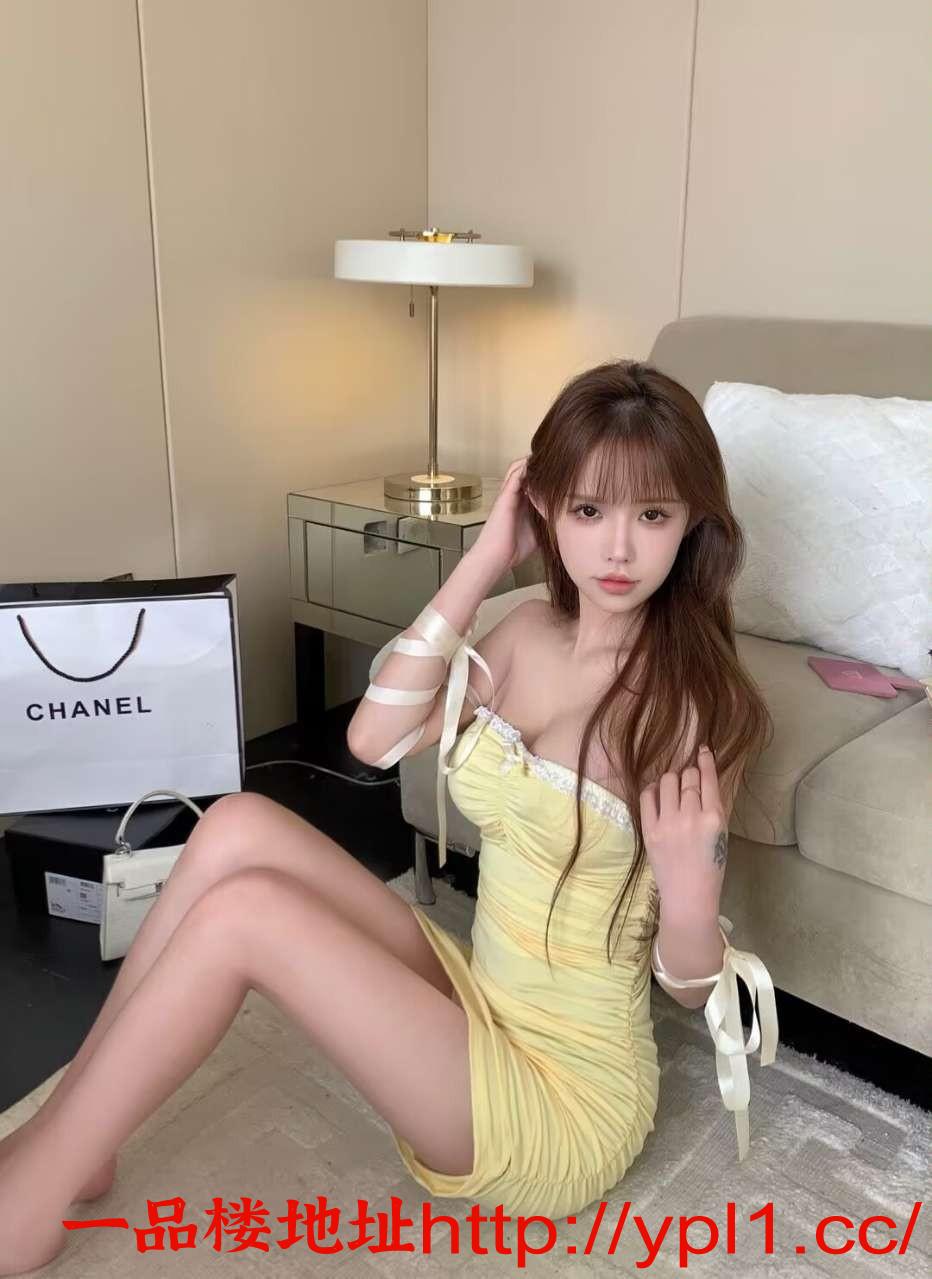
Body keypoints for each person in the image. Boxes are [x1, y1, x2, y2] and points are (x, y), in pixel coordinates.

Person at [0, 359, 778, 1273]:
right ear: (544, 508)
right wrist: (483, 560)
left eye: (652, 515)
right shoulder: (526, 633)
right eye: (587, 509)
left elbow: (687, 986)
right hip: (481, 991)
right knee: (238, 824)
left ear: (692, 524)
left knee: (245, 915)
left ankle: (27, 1205)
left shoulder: (694, 705)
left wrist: (691, 892)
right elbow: (374, 738)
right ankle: (75, 1138)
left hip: (565, 1097)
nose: (617, 549)